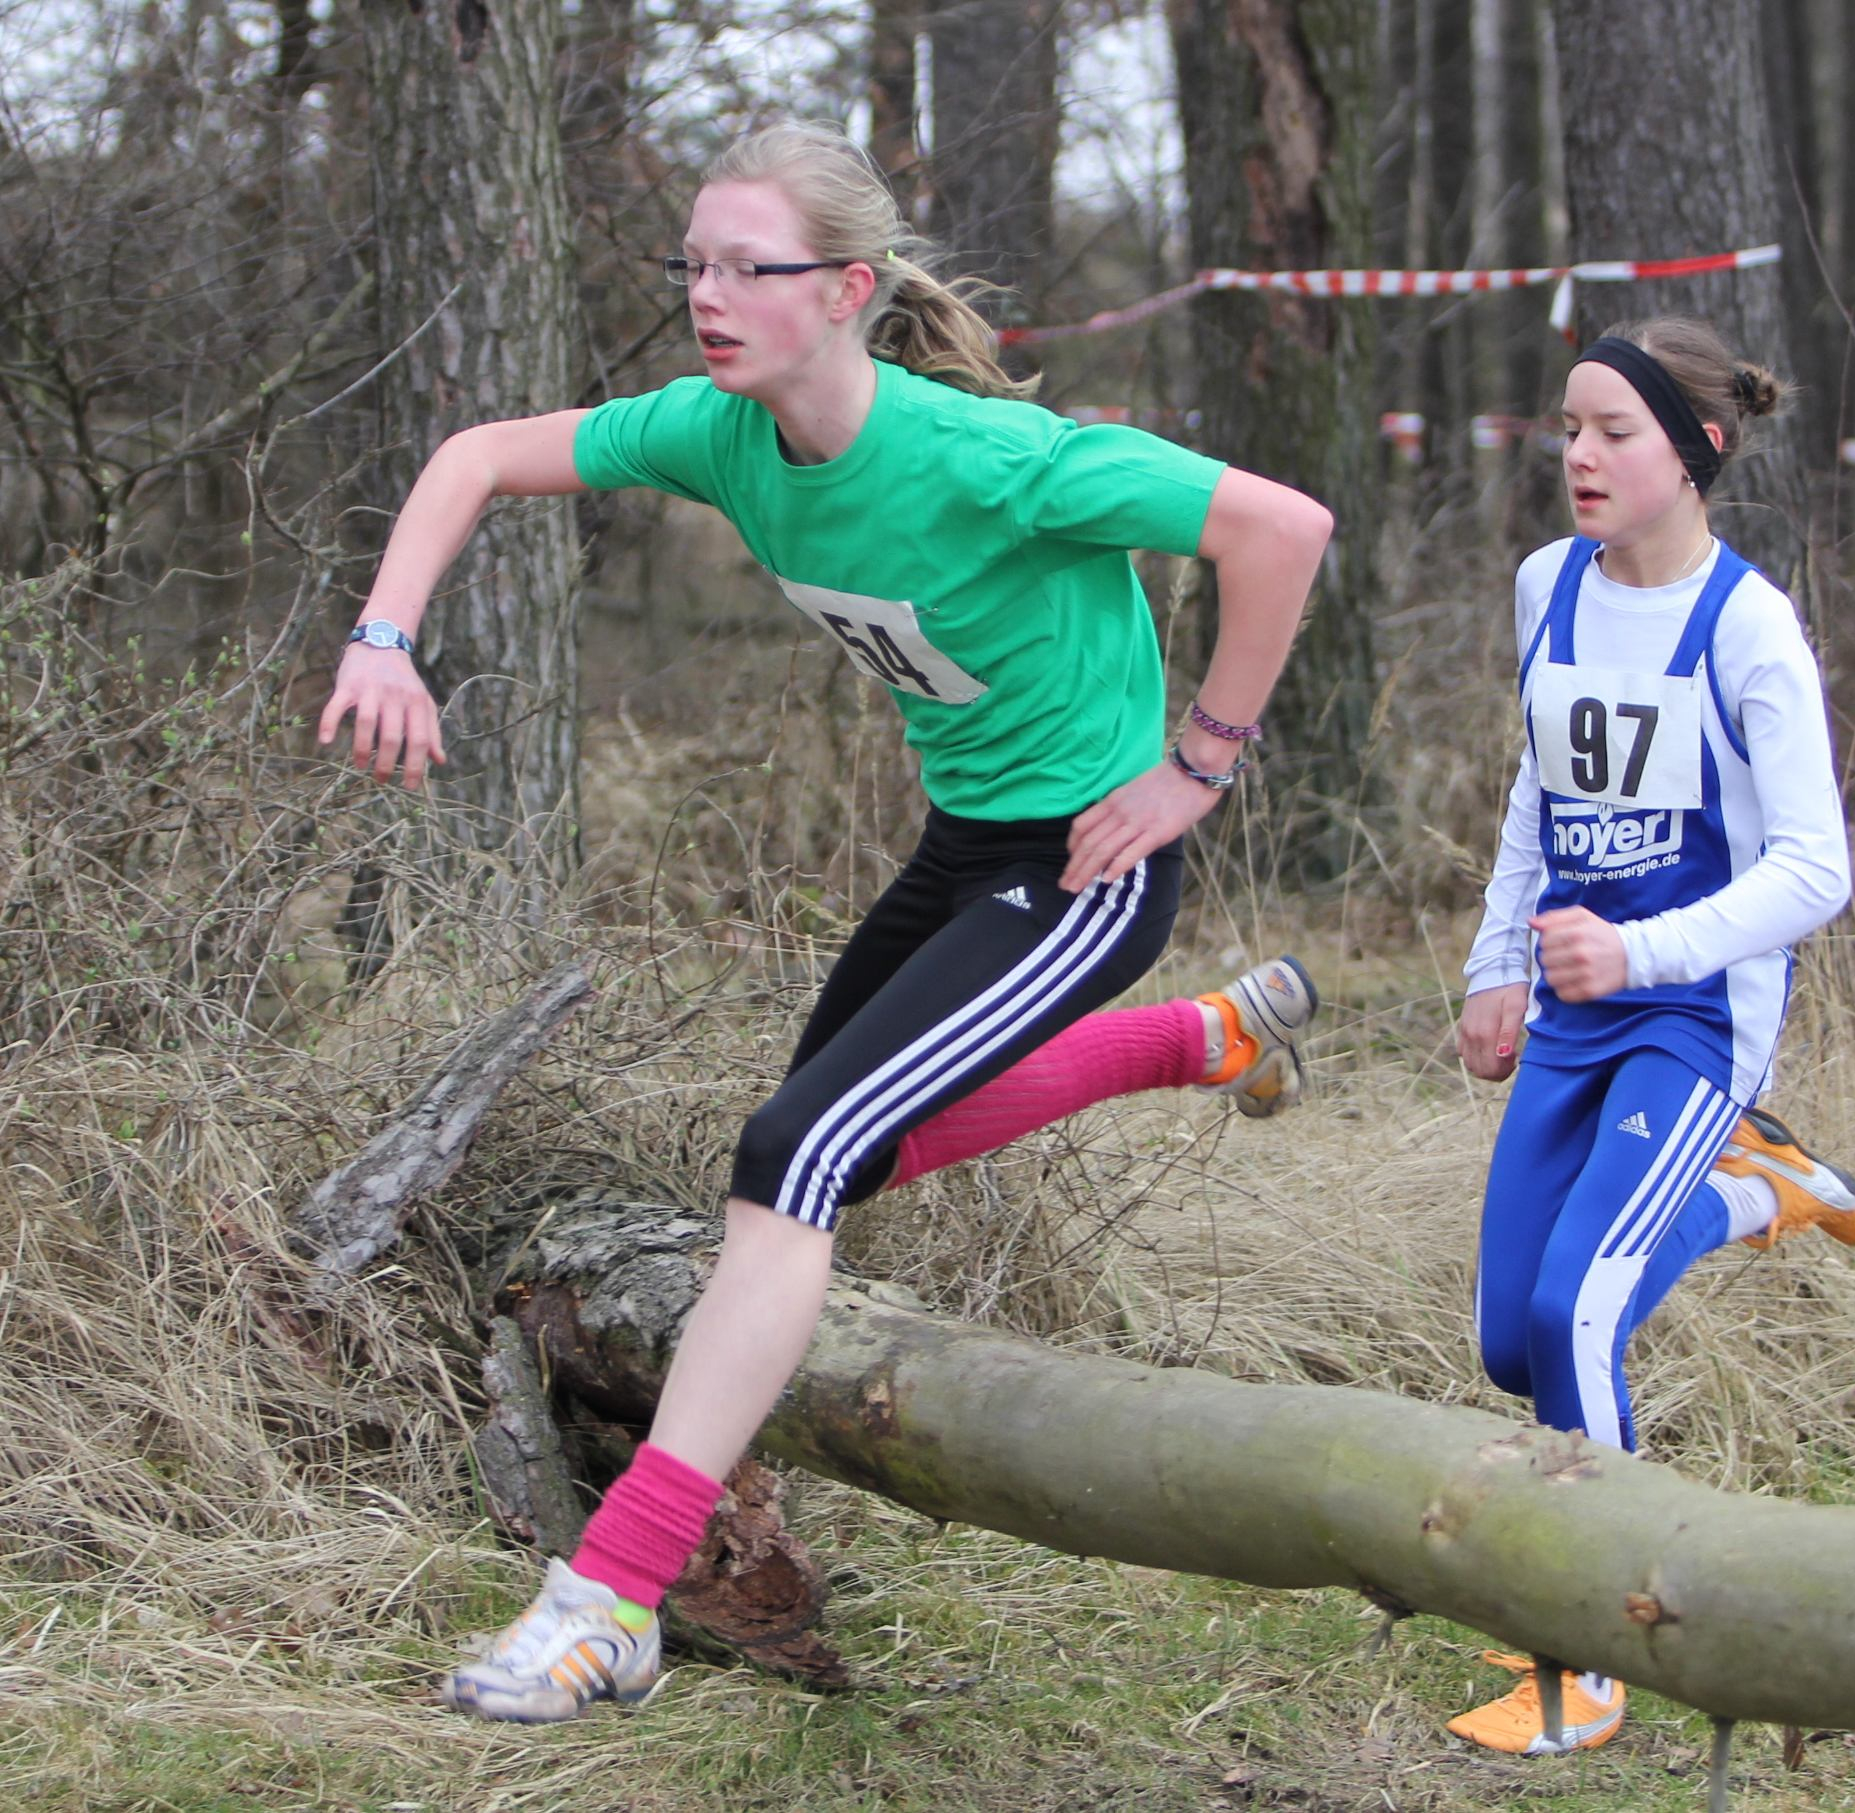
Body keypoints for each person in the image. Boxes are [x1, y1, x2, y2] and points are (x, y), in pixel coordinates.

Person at [318, 120, 1334, 1723]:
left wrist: (1197, 765)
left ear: (848, 290)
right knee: (835, 1158)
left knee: (785, 1156)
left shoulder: (988, 458)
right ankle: (1196, 1043)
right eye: (692, 264)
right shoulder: (717, 432)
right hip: (962, 850)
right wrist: (384, 637)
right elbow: (474, 456)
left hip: (1085, 868)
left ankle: (611, 1594)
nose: (705, 296)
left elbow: (1279, 526)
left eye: (748, 268)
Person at [1446, 318, 1855, 1757]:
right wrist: (1496, 962)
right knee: (1510, 1339)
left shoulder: (1746, 627)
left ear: (1693, 452)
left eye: (1611, 431)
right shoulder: (1545, 586)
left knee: (1575, 1309)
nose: (1575, 454)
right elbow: (1537, 790)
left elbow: (1815, 871)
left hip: (1695, 1013)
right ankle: (1754, 1188)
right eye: (1567, 425)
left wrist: (1643, 950)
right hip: (1571, 1005)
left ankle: (1589, 1657)